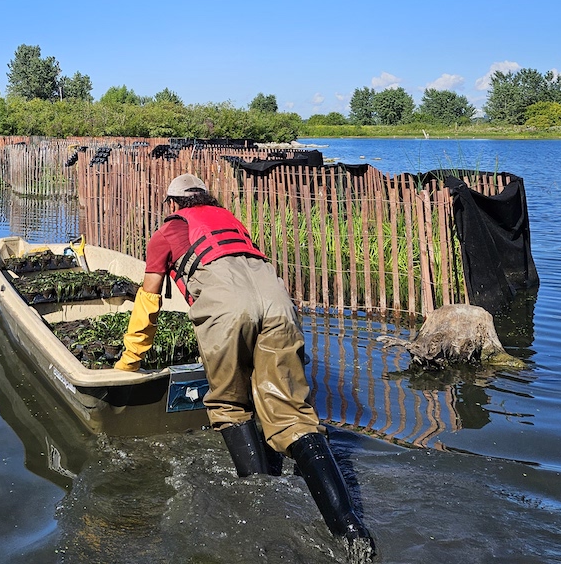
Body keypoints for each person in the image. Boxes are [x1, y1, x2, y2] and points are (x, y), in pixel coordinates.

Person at [113, 173, 370, 541]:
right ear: (206, 199)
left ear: (172, 205)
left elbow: (148, 299)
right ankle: (349, 528)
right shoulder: (232, 222)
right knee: (295, 417)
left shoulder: (167, 232)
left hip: (228, 311)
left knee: (230, 406)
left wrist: (131, 360)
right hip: (280, 307)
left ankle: (262, 511)